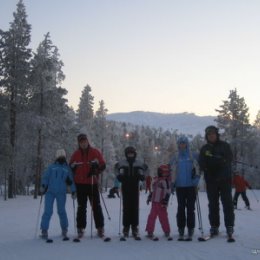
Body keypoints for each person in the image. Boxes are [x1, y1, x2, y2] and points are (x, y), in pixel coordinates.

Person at [199, 125, 235, 240]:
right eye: (209, 134)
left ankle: (229, 226)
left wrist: (222, 160)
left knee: (227, 204)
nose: (211, 136)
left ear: (217, 134)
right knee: (213, 205)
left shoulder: (225, 146)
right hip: (211, 181)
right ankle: (214, 226)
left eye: (213, 134)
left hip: (225, 180)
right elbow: (202, 162)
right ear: (207, 136)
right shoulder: (204, 148)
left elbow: (229, 158)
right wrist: (208, 169)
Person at [69, 133, 106, 238]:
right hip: (80, 184)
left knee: (96, 206)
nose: (83, 143)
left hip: (92, 183)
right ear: (79, 143)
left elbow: (103, 164)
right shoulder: (76, 154)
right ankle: (80, 228)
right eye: (81, 142)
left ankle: (100, 227)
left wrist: (96, 170)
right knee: (81, 207)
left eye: (84, 141)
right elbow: (70, 166)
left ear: (87, 141)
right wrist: (73, 167)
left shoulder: (95, 152)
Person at [40, 149, 76, 240]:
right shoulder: (51, 167)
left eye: (63, 156)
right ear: (56, 157)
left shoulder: (67, 168)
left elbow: (71, 181)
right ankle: (44, 230)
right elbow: (46, 177)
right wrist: (43, 186)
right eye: (59, 156)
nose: (61, 158)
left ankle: (64, 229)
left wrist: (73, 191)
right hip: (50, 192)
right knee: (48, 211)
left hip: (61, 193)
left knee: (61, 211)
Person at [169, 135, 200, 241]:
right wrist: (172, 183)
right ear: (178, 145)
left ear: (187, 144)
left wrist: (196, 179)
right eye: (180, 143)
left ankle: (190, 229)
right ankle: (181, 228)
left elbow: (199, 168)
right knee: (181, 208)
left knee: (191, 209)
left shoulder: (193, 155)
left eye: (184, 143)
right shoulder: (176, 157)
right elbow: (171, 170)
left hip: (191, 187)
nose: (182, 145)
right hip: (180, 187)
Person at [116, 146, 146, 239]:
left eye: (132, 153)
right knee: (126, 208)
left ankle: (134, 227)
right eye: (128, 153)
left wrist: (142, 176)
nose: (130, 155)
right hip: (125, 187)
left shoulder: (139, 162)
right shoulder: (122, 162)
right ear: (126, 154)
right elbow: (115, 169)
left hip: (135, 187)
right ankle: (126, 227)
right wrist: (119, 177)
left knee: (135, 208)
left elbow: (146, 169)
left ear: (134, 154)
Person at [145, 164, 171, 239]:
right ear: (159, 172)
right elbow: (154, 190)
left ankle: (167, 231)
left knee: (163, 217)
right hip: (154, 202)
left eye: (166, 173)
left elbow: (168, 192)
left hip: (161, 203)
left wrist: (165, 201)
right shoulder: (156, 180)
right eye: (163, 172)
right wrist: (150, 197)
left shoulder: (166, 181)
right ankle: (150, 231)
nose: (165, 174)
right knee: (151, 217)